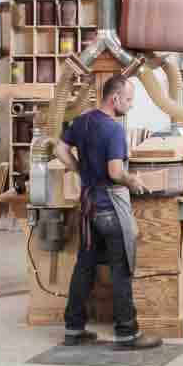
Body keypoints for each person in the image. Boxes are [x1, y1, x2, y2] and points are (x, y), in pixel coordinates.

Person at [52, 75, 160, 350]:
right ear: (115, 99)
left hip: (88, 206)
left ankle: (74, 329)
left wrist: (80, 170)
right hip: (110, 208)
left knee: (84, 267)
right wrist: (132, 180)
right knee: (121, 268)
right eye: (129, 99)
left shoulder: (81, 121)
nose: (131, 105)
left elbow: (60, 149)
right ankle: (128, 333)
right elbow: (115, 172)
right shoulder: (113, 130)